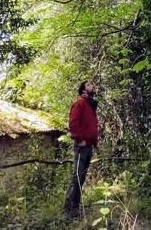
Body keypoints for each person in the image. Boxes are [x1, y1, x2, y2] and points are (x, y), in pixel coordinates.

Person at [63, 80, 99, 218]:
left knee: (81, 177)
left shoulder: (90, 105)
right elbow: (73, 122)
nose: (93, 86)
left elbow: (90, 125)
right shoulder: (80, 103)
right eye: (90, 84)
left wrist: (93, 143)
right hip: (81, 146)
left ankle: (75, 209)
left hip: (88, 146)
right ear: (83, 89)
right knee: (76, 177)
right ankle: (67, 211)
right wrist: (80, 139)